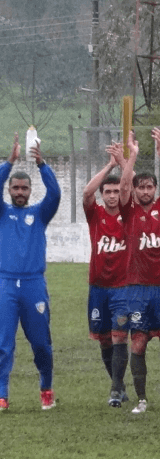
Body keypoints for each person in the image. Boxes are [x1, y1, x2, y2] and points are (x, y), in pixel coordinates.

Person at [114, 128, 160, 413]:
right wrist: (134, 155)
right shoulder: (128, 211)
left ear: (154, 189)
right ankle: (141, 399)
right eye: (141, 187)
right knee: (138, 343)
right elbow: (124, 185)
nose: (144, 190)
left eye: (149, 186)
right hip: (137, 288)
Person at [0, 135, 60, 411]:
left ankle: (46, 389)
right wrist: (10, 161)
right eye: (16, 187)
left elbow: (56, 194)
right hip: (6, 285)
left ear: (30, 189)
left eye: (24, 188)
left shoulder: (39, 214)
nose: (20, 191)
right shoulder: (2, 213)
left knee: (41, 344)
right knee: (3, 345)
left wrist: (42, 164)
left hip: (35, 285)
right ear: (9, 189)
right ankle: (2, 395)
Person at [83, 146, 129, 401]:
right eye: (108, 192)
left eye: (115, 192)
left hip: (123, 287)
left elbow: (130, 187)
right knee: (104, 341)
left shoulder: (128, 213)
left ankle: (115, 389)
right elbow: (87, 192)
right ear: (103, 195)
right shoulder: (96, 214)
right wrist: (110, 166)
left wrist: (123, 163)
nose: (112, 196)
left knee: (120, 337)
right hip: (98, 286)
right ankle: (119, 386)